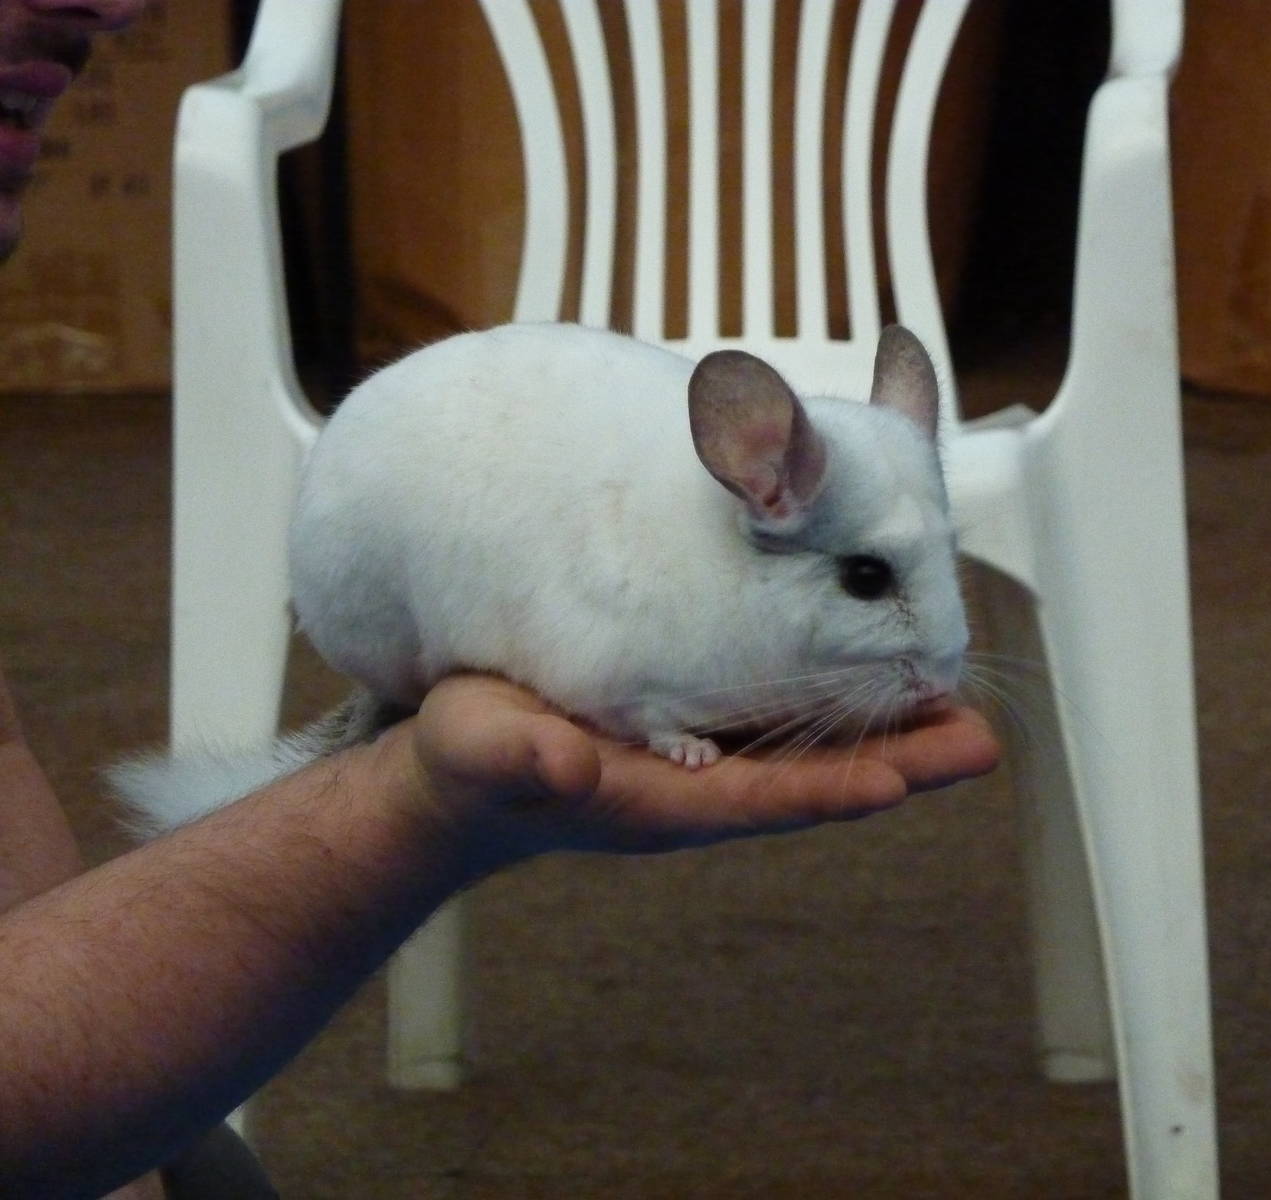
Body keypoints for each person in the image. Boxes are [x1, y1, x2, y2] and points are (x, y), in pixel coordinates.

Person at [0, 2, 1001, 1197]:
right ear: (763, 485)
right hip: (382, 573)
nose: (118, 9)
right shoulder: (673, 568)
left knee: (196, 1173)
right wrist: (615, 732)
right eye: (872, 582)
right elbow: (599, 664)